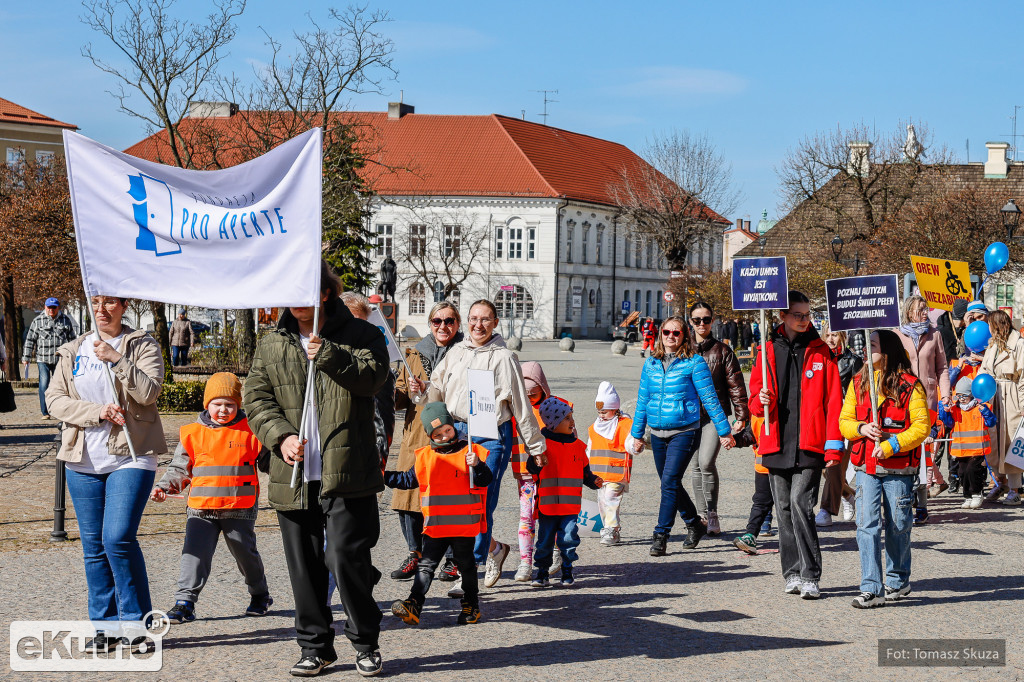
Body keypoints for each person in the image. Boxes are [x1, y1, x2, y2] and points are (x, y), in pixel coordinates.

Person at [243, 262, 390, 678]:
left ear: (324, 293)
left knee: (346, 557)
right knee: (304, 566)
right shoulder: (272, 343)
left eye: (304, 292)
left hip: (347, 469)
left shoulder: (363, 334)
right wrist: (281, 437)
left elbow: (373, 377)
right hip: (294, 474)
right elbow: (256, 397)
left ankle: (365, 641)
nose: (296, 302)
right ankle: (315, 646)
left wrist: (327, 354)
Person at [45, 295, 165, 650]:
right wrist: (96, 411)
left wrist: (116, 359)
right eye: (95, 301)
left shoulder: (141, 344)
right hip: (81, 459)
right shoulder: (72, 349)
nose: (102, 308)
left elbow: (149, 392)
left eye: (110, 301)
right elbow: (54, 400)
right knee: (94, 547)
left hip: (131, 455)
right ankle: (106, 629)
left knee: (117, 538)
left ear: (123, 306)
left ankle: (137, 625)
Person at [416, 299, 546, 589]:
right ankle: (495, 550)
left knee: (480, 506)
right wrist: (426, 403)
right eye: (474, 318)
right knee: (458, 506)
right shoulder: (457, 351)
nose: (478, 325)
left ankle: (469, 572)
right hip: (457, 434)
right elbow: (437, 387)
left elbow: (521, 406)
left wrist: (536, 447)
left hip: (490, 435)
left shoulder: (504, 358)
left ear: (495, 322)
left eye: (485, 319)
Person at [151, 372, 272, 624]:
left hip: (239, 508)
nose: (224, 410)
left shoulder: (251, 431)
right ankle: (184, 603)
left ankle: (260, 595)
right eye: (217, 404)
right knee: (193, 556)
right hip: (201, 509)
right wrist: (164, 487)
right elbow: (179, 468)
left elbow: (271, 464)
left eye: (230, 404)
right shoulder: (192, 433)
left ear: (239, 406)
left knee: (245, 554)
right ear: (207, 405)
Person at [748, 291, 844, 600]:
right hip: (776, 442)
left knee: (803, 504)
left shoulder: (822, 353)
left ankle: (810, 574)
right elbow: (753, 401)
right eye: (798, 316)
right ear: (782, 317)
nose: (805, 321)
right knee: (784, 509)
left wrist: (833, 447)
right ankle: (790, 572)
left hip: (811, 443)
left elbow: (834, 402)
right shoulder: (765, 352)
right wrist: (759, 402)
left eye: (807, 316)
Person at [630, 316, 734, 556]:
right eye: (667, 332)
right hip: (657, 432)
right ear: (660, 334)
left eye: (676, 333)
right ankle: (694, 523)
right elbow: (643, 400)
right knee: (671, 483)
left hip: (684, 431)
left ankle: (661, 534)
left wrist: (724, 431)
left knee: (669, 482)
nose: (671, 337)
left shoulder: (694, 363)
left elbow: (710, 398)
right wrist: (637, 434)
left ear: (685, 336)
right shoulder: (651, 364)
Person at [841, 330, 930, 609]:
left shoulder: (910, 385)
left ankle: (898, 579)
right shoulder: (858, 381)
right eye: (865, 345)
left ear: (888, 349)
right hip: (866, 466)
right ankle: (871, 587)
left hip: (899, 469)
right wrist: (860, 428)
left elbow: (921, 427)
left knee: (898, 525)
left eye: (873, 345)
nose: (866, 350)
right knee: (866, 526)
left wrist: (892, 445)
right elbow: (845, 420)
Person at [387, 402, 490, 626]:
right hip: (436, 525)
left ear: (453, 427)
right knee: (426, 565)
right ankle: (414, 604)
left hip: (463, 526)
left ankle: (471, 606)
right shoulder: (425, 456)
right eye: (438, 433)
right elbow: (406, 480)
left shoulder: (470, 451)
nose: (444, 436)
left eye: (448, 430)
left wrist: (478, 465)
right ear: (429, 435)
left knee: (466, 566)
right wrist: (381, 477)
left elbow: (485, 480)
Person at [389, 301, 462, 583]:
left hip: (451, 434)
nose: (443, 326)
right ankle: (415, 554)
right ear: (430, 324)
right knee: (408, 497)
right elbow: (399, 397)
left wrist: (431, 389)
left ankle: (454, 559)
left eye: (449, 321)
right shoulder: (413, 354)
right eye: (437, 321)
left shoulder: (464, 353)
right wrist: (398, 389)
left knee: (452, 499)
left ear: (457, 324)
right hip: (417, 433)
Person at [526, 398, 602, 587]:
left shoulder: (578, 446)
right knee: (544, 542)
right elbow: (531, 468)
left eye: (571, 417)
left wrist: (594, 481)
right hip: (547, 506)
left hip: (570, 507)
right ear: (553, 423)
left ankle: (567, 568)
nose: (572, 422)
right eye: (566, 418)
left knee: (569, 539)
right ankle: (542, 572)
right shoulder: (542, 446)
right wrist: (536, 460)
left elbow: (585, 474)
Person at [689, 302, 748, 535]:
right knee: (694, 466)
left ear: (712, 321)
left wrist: (741, 415)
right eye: (696, 320)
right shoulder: (684, 349)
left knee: (705, 462)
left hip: (716, 415)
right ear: (690, 321)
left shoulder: (722, 351)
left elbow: (736, 384)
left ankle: (712, 512)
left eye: (706, 319)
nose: (701, 324)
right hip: (690, 415)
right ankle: (701, 515)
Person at [509, 361, 570, 581]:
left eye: (533, 394)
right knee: (526, 517)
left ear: (543, 388)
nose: (528, 399)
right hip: (525, 472)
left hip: (551, 473)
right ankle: (525, 561)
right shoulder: (512, 408)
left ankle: (555, 551)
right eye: (524, 394)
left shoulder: (558, 407)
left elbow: (571, 439)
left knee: (550, 514)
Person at [895, 295, 950, 523]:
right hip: (902, 400)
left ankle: (922, 504)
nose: (925, 313)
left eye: (926, 309)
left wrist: (945, 394)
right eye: (920, 310)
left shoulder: (934, 334)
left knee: (923, 453)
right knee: (905, 451)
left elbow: (942, 367)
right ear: (909, 312)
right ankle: (905, 500)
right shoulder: (897, 334)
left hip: (927, 401)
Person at [816, 320, 861, 527]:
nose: (831, 339)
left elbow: (860, 393)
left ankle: (825, 510)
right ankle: (850, 496)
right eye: (828, 335)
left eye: (835, 335)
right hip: (821, 417)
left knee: (835, 466)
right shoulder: (818, 358)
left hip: (845, 417)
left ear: (843, 336)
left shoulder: (853, 361)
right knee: (822, 467)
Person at [979, 310, 1024, 506]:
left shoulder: (1019, 344)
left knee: (1011, 442)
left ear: (996, 325)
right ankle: (1000, 483)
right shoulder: (992, 346)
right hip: (994, 396)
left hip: (1012, 395)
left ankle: (1015, 489)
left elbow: (1023, 377)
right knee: (994, 441)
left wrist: (1023, 405)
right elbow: (984, 371)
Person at [586, 381, 635, 546]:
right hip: (599, 474)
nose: (601, 415)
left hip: (616, 473)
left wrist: (635, 447)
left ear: (615, 409)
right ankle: (608, 528)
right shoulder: (595, 427)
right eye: (599, 412)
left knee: (611, 499)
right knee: (602, 502)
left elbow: (630, 443)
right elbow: (590, 448)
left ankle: (612, 529)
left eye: (605, 412)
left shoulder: (624, 424)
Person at [938, 376, 997, 509]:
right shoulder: (955, 409)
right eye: (958, 395)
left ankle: (977, 494)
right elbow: (948, 422)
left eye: (964, 395)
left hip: (978, 448)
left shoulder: (982, 407)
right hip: (961, 449)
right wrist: (943, 409)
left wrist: (986, 412)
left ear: (972, 394)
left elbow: (991, 422)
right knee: (962, 472)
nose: (961, 398)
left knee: (972, 470)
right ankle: (967, 496)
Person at [23, 297, 77, 420]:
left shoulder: (65, 320)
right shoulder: (38, 321)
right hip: (43, 359)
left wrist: (75, 356)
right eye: (49, 307)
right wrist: (26, 357)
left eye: (54, 307)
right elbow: (30, 340)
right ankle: (45, 411)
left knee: (62, 385)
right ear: (45, 307)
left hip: (60, 359)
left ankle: (61, 409)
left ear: (58, 308)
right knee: (44, 384)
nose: (51, 310)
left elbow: (72, 340)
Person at [732, 417, 773, 554]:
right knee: (760, 502)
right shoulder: (757, 411)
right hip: (764, 466)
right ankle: (750, 536)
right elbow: (751, 434)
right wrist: (734, 440)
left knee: (789, 505)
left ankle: (795, 540)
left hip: (787, 466)